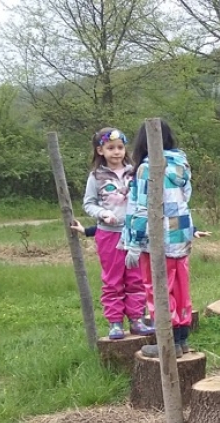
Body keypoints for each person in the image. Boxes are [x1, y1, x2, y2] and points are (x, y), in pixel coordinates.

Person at [121, 120, 202, 355]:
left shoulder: (148, 168)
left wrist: (134, 243)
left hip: (157, 238)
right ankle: (182, 339)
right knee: (180, 287)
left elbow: (143, 208)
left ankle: (168, 343)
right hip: (181, 236)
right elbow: (184, 197)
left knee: (158, 289)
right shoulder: (181, 165)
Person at [83, 127, 151, 339]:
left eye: (120, 147)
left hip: (134, 233)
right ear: (100, 150)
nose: (116, 152)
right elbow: (89, 203)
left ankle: (136, 319)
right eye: (110, 148)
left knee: (136, 278)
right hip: (108, 234)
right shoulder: (96, 176)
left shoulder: (135, 171)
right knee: (113, 280)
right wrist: (102, 213)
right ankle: (114, 323)